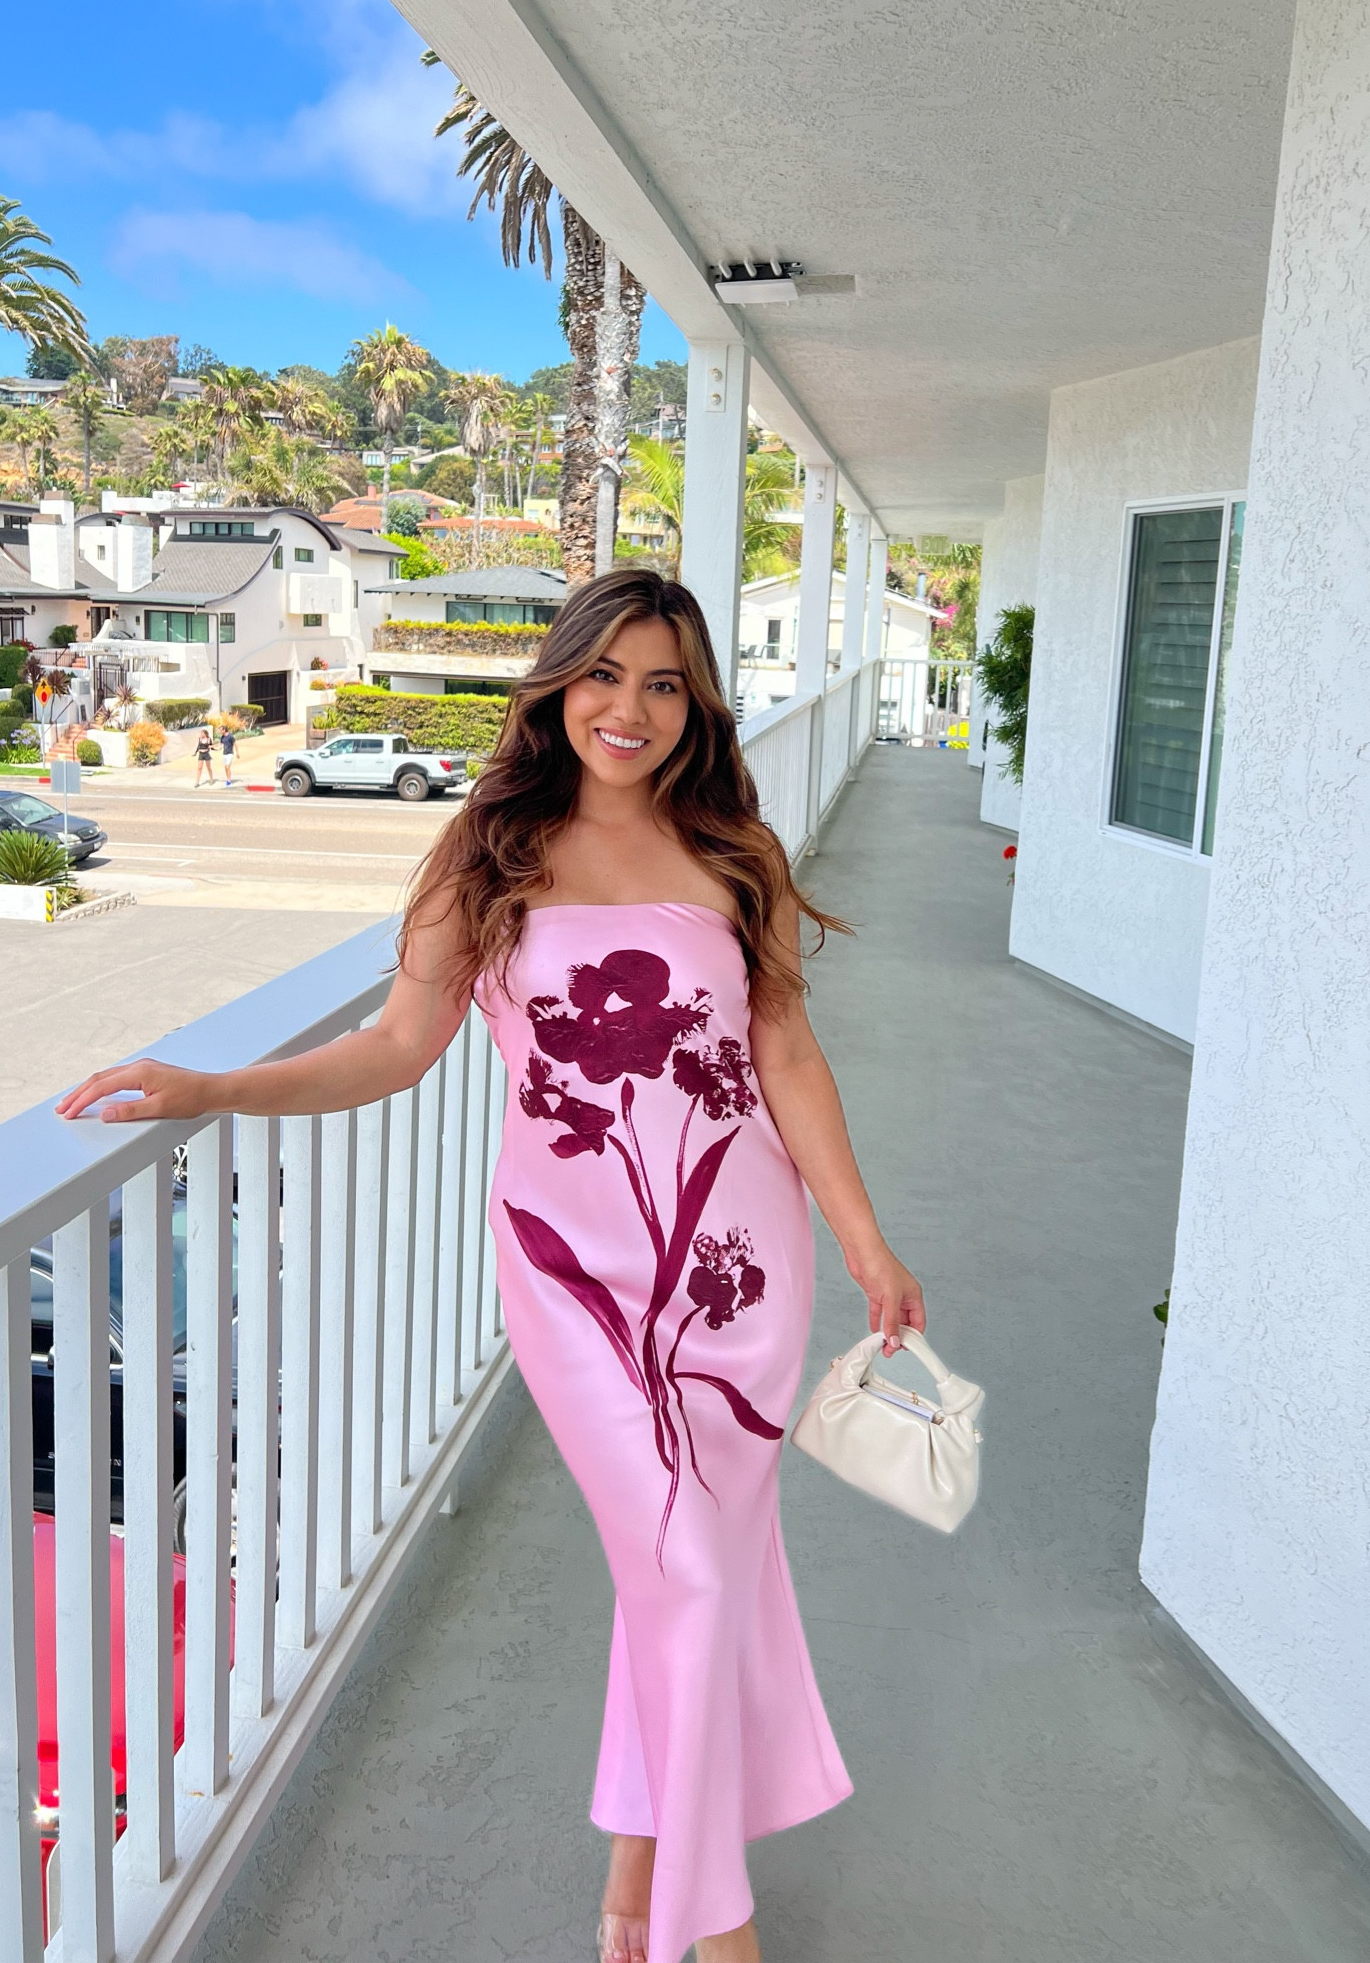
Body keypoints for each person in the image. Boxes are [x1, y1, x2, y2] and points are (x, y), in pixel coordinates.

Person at [55, 570, 926, 1963]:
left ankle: (641, 1892)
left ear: (694, 702)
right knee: (687, 1576)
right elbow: (396, 1048)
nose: (626, 709)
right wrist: (216, 1087)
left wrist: (867, 1239)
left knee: (685, 1576)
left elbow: (787, 1057)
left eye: (660, 682)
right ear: (557, 683)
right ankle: (723, 1932)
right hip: (573, 1274)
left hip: (737, 1269)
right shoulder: (490, 851)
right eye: (602, 676)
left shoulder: (729, 848)